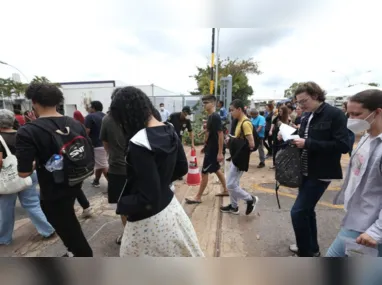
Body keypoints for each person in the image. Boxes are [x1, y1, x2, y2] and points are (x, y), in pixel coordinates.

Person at [110, 86, 204, 257]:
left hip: (150, 220)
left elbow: (148, 197)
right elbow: (182, 167)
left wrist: (122, 205)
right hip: (171, 209)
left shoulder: (139, 143)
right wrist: (162, 181)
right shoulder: (169, 129)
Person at [16, 82, 93, 257]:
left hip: (53, 190)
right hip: (75, 180)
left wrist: (37, 162)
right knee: (68, 220)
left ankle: (82, 256)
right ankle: (73, 251)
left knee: (67, 226)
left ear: (34, 102)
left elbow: (24, 172)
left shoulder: (28, 131)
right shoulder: (74, 123)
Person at [289, 82, 349, 257]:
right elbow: (305, 137)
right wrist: (291, 135)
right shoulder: (308, 116)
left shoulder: (335, 114)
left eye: (304, 101)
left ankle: (306, 252)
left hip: (321, 171)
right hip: (305, 170)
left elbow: (343, 145)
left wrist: (308, 143)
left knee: (298, 212)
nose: (301, 106)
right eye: (298, 103)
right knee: (307, 211)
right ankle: (311, 248)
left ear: (315, 96)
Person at [327, 89, 382, 257]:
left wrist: (376, 231)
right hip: (356, 217)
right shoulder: (367, 136)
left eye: (356, 114)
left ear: (377, 112)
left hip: (368, 224)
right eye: (348, 114)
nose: (351, 120)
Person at [0, 109, 55, 245]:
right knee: (32, 203)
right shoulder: (22, 133)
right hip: (28, 172)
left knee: (6, 208)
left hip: (9, 179)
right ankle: (47, 230)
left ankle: (4, 238)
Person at [185, 95, 229, 204]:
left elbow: (220, 134)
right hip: (210, 148)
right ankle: (226, 190)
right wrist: (205, 145)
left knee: (204, 172)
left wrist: (219, 152)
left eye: (206, 102)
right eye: (203, 102)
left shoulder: (215, 116)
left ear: (213, 103)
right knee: (216, 169)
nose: (204, 104)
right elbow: (209, 131)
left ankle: (198, 197)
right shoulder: (210, 116)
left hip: (214, 150)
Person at [220, 100, 259, 215]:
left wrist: (234, 141)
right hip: (236, 157)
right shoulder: (239, 121)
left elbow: (251, 144)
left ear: (239, 109)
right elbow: (239, 138)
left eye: (232, 110)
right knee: (233, 183)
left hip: (240, 158)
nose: (231, 112)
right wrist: (232, 139)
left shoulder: (245, 123)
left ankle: (250, 199)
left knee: (230, 185)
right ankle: (234, 206)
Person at [101, 88, 128, 245]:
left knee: (122, 204)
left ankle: (127, 234)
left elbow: (105, 144)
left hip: (118, 168)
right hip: (139, 168)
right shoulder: (138, 117)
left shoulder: (107, 119)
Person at [85, 101, 108, 188]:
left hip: (96, 145)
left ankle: (115, 187)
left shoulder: (90, 117)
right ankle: (96, 181)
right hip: (107, 145)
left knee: (103, 165)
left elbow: (86, 131)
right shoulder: (106, 116)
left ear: (93, 108)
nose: (89, 109)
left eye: (90, 107)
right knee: (100, 164)